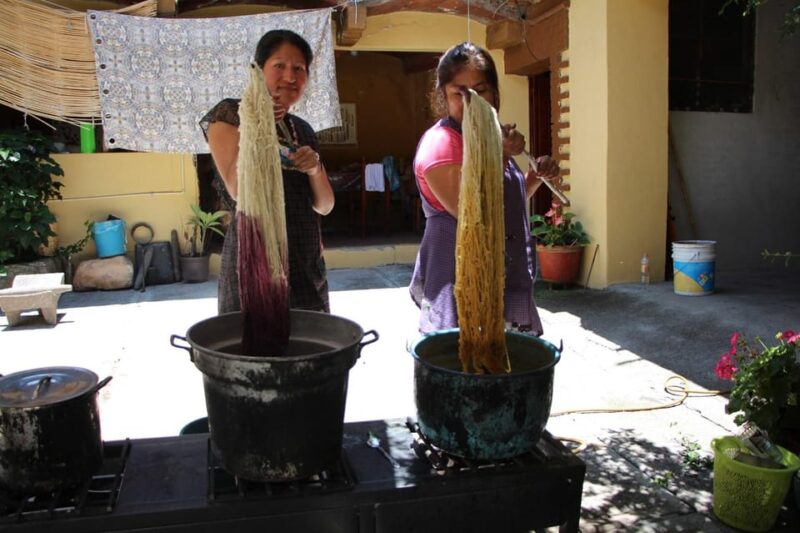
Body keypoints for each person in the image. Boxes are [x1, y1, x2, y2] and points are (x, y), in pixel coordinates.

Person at [409, 42, 559, 335]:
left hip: (502, 270)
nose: (472, 101)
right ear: (444, 96)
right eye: (460, 93)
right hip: (461, 276)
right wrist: (500, 155)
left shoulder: (488, 135)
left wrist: (534, 176)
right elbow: (471, 212)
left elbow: (505, 199)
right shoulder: (442, 144)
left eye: (482, 90)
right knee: (464, 361)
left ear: (495, 93)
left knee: (505, 363)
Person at [200, 29, 334, 315]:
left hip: (303, 256)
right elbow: (238, 188)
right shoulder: (229, 116)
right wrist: (257, 121)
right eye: (279, 66)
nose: (290, 76)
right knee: (254, 346)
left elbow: (324, 206)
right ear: (258, 71)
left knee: (310, 346)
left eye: (299, 68)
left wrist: (314, 168)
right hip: (254, 256)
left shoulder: (303, 130)